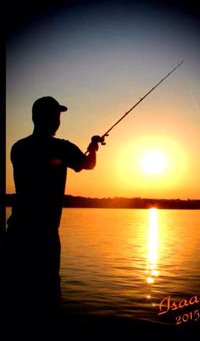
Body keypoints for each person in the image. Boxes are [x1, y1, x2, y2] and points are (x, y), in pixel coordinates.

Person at [4, 96, 102, 315]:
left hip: (16, 231)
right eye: (57, 115)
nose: (59, 120)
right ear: (52, 119)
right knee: (47, 297)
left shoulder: (18, 148)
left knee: (14, 292)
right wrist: (93, 147)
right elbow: (88, 164)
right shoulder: (61, 148)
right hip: (45, 236)